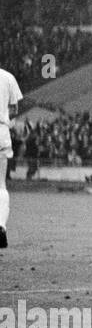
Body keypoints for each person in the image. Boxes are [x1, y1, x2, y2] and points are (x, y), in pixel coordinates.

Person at [0, 65, 22, 248]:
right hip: (1, 132)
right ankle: (1, 226)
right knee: (1, 185)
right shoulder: (8, 77)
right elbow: (15, 109)